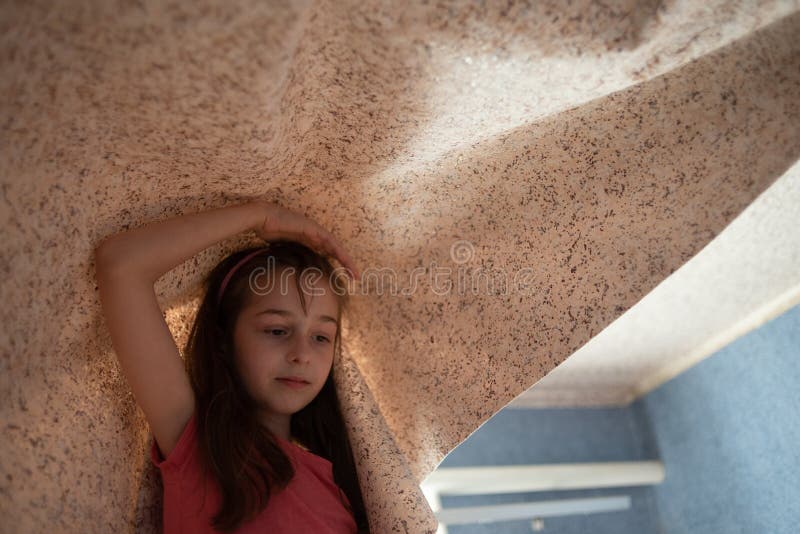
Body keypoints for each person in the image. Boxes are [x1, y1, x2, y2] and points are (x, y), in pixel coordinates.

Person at [94, 200, 368, 533]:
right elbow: (121, 265)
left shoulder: (343, 487)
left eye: (322, 337)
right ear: (223, 338)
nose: (302, 355)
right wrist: (259, 215)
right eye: (277, 331)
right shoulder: (198, 442)